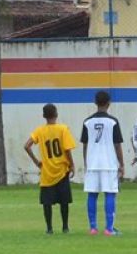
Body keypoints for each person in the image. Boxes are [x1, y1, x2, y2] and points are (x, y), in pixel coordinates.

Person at [24, 103, 76, 235]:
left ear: (44, 116)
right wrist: (72, 164)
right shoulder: (63, 129)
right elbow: (67, 149)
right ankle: (65, 227)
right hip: (62, 169)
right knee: (64, 201)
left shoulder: (39, 131)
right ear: (56, 115)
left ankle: (49, 228)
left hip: (47, 171)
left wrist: (37, 162)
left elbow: (27, 146)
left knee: (47, 202)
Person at [80, 90, 124, 236]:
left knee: (92, 194)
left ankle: (93, 227)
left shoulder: (87, 121)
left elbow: (85, 145)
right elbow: (117, 144)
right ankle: (109, 229)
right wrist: (121, 164)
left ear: (95, 103)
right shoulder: (113, 121)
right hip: (109, 162)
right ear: (109, 103)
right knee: (110, 193)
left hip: (92, 162)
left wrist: (86, 162)